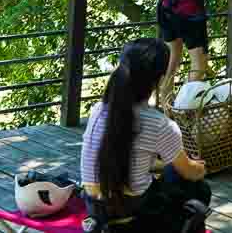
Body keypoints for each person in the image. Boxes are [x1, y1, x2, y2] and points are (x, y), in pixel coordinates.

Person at [80, 38, 213, 232]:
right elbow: (188, 171)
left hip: (94, 205)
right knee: (198, 187)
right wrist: (200, 169)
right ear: (159, 79)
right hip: (135, 207)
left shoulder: (98, 110)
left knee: (169, 170)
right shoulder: (160, 124)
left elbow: (125, 156)